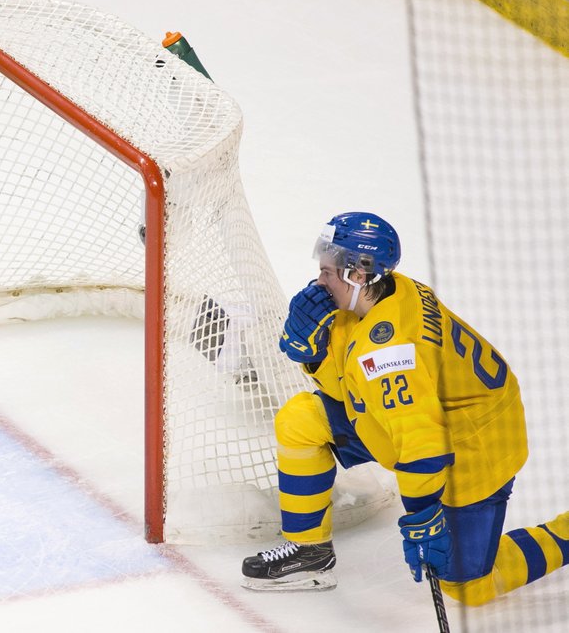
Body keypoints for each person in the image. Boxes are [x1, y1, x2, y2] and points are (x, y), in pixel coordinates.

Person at [241, 211, 569, 606]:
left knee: (468, 588)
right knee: (301, 419)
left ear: (357, 274)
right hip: (422, 419)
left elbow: (422, 444)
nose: (319, 281)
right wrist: (314, 355)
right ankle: (309, 551)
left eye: (328, 271)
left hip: (475, 443)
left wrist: (423, 514)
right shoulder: (380, 296)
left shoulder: (392, 351)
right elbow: (357, 389)